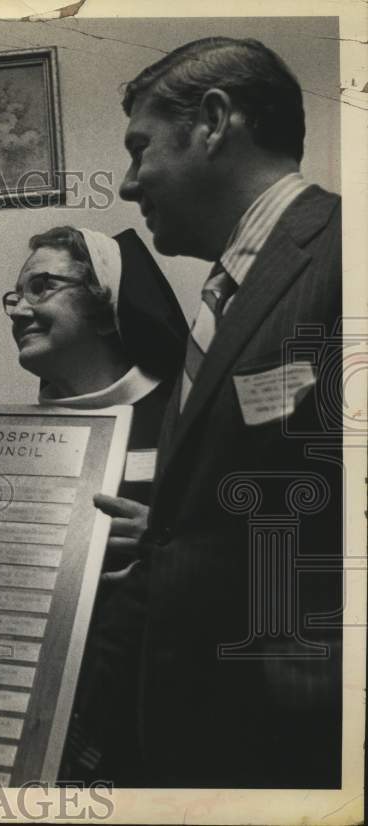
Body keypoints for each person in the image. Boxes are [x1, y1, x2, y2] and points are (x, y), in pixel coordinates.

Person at [106, 36, 342, 787]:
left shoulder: (347, 256)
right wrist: (175, 534)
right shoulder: (221, 293)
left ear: (212, 122)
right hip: (206, 734)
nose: (129, 183)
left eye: (140, 149)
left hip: (297, 739)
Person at [3, 224, 187, 782]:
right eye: (14, 296)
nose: (17, 311)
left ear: (107, 309)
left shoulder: (189, 415)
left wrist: (174, 537)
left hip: (162, 718)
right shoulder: (18, 439)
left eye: (42, 288)